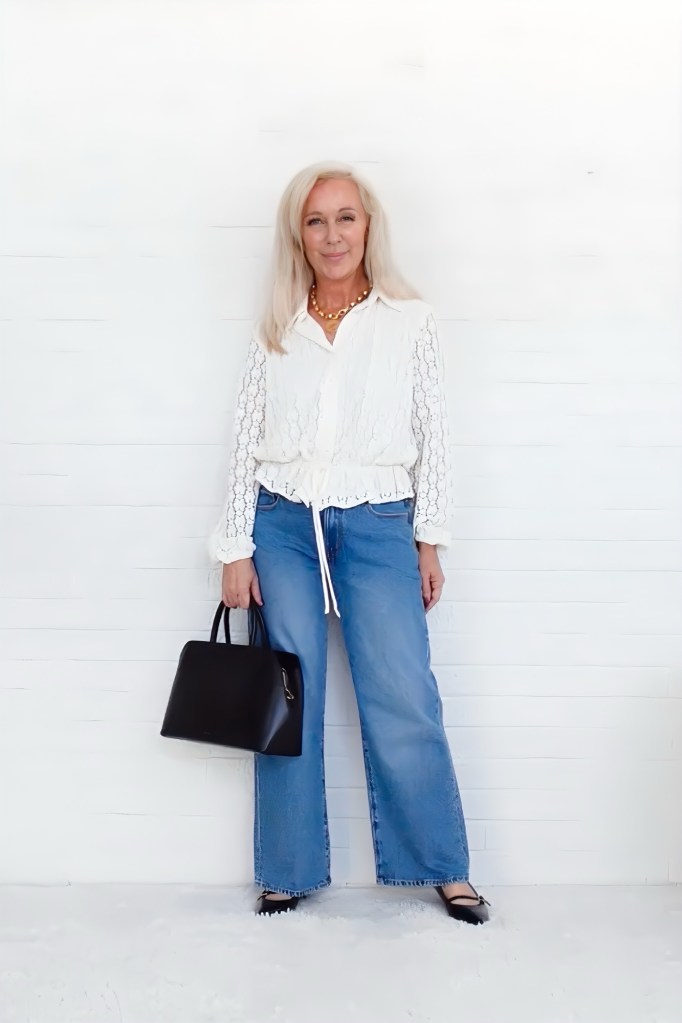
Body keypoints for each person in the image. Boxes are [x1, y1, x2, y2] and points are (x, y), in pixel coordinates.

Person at [211, 161, 490, 925]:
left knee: (403, 692)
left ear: (368, 226)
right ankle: (288, 868)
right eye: (315, 220)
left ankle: (442, 863)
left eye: (345, 217)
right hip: (283, 525)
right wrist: (235, 545)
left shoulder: (410, 320)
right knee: (287, 696)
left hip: (378, 522)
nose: (332, 235)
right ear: (297, 236)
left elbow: (436, 434)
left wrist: (429, 539)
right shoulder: (278, 326)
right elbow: (244, 438)